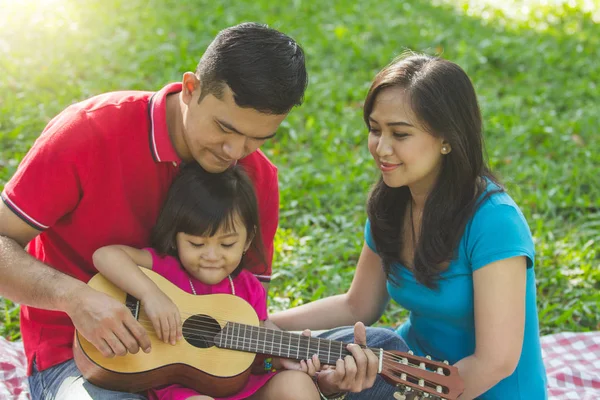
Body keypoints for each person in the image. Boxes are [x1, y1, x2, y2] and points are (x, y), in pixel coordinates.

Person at [0, 21, 380, 399]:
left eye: (257, 138)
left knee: (383, 351)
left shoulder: (257, 178)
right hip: (85, 358)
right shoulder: (89, 132)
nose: (235, 152)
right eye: (224, 128)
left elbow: (247, 322)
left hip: (207, 368)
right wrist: (75, 298)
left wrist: (320, 380)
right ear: (190, 89)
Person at [270, 53, 548, 399]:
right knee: (305, 357)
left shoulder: (494, 221)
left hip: (480, 389)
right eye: (375, 130)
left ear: (447, 138)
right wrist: (267, 326)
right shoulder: (392, 204)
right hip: (408, 367)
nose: (381, 148)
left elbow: (496, 362)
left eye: (400, 134)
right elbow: (358, 305)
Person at [93, 162, 321, 400]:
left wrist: (279, 355)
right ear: (175, 237)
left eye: (227, 244)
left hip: (241, 389)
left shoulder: (248, 288)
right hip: (183, 391)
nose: (211, 257)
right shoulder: (167, 270)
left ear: (247, 240)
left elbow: (256, 357)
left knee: (297, 384)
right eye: (197, 244)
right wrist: (151, 295)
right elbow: (105, 256)